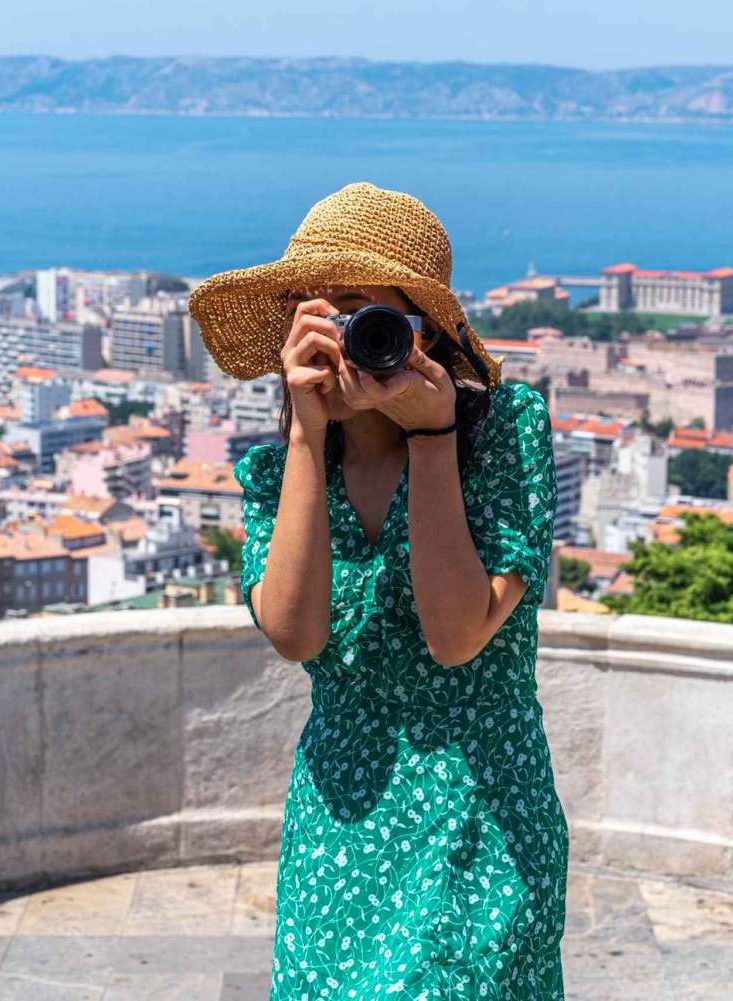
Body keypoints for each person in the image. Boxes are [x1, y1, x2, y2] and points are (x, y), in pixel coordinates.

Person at [188, 182, 567, 999]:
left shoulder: (505, 433)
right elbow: (295, 634)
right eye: (329, 313)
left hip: (479, 816)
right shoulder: (279, 474)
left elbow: (456, 636)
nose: (354, 340)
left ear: (424, 333)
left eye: (373, 317)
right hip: (339, 824)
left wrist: (432, 437)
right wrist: (305, 433)